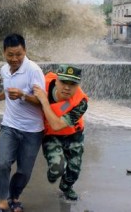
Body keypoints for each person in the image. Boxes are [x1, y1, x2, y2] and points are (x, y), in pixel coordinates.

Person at [0, 33, 45, 212]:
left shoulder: (34, 70)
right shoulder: (5, 69)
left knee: (24, 172)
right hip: (9, 126)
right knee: (2, 163)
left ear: (25, 51)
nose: (15, 59)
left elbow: (42, 101)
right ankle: (2, 201)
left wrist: (23, 96)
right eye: (10, 55)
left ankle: (14, 197)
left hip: (32, 130)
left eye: (18, 54)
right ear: (4, 52)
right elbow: (7, 90)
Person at [33, 65, 88, 201]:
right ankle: (54, 173)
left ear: (78, 85)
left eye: (73, 84)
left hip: (74, 134)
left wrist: (44, 101)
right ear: (57, 80)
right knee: (57, 168)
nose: (67, 88)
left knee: (74, 169)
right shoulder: (43, 83)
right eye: (63, 82)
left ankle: (66, 187)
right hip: (51, 136)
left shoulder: (81, 102)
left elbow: (57, 125)